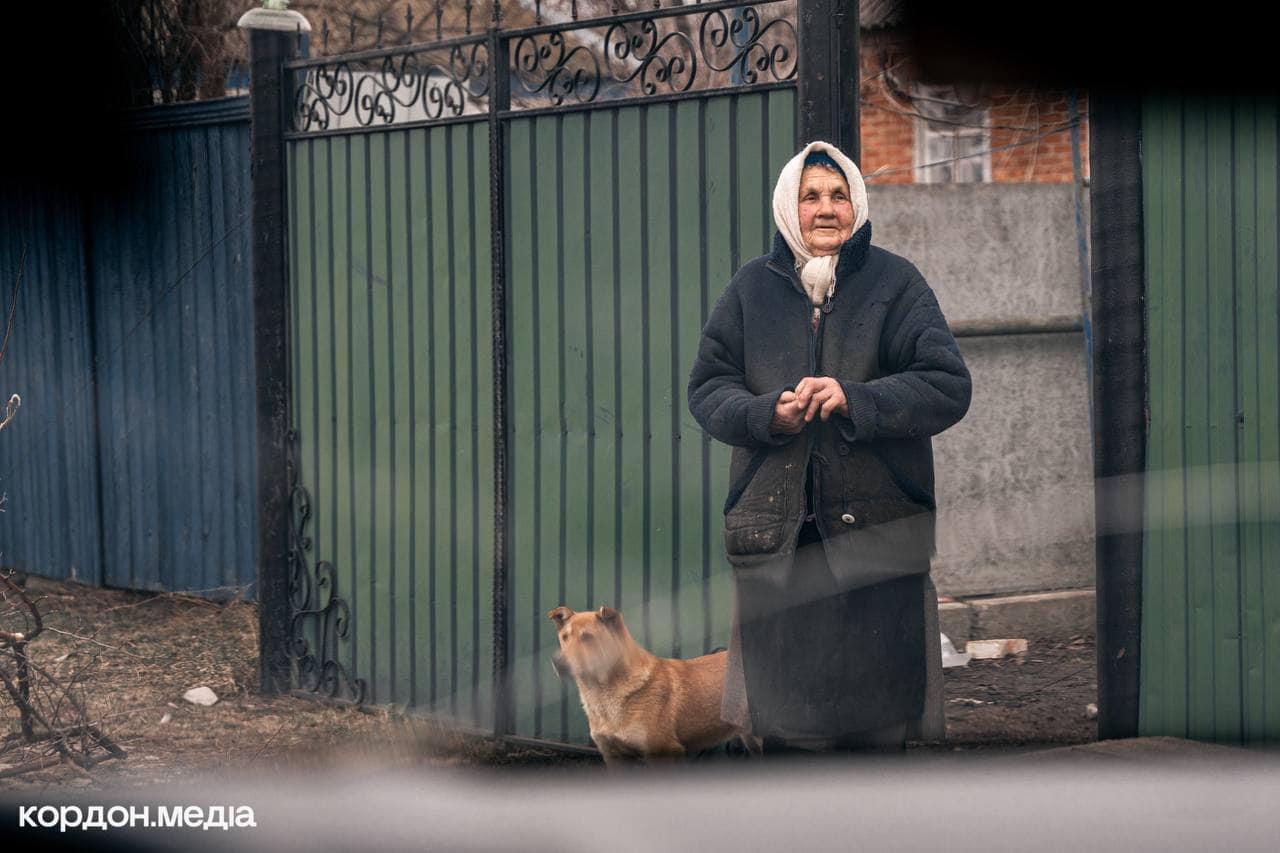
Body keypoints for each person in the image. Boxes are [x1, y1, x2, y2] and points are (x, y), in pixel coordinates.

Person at [686, 141, 972, 753]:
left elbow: (948, 386)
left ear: (857, 205)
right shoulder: (750, 291)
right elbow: (708, 389)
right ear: (788, 207)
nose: (825, 209)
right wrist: (770, 414)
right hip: (779, 543)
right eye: (810, 195)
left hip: (874, 539)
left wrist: (853, 398)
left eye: (838, 195)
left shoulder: (896, 285)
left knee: (874, 736)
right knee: (788, 736)